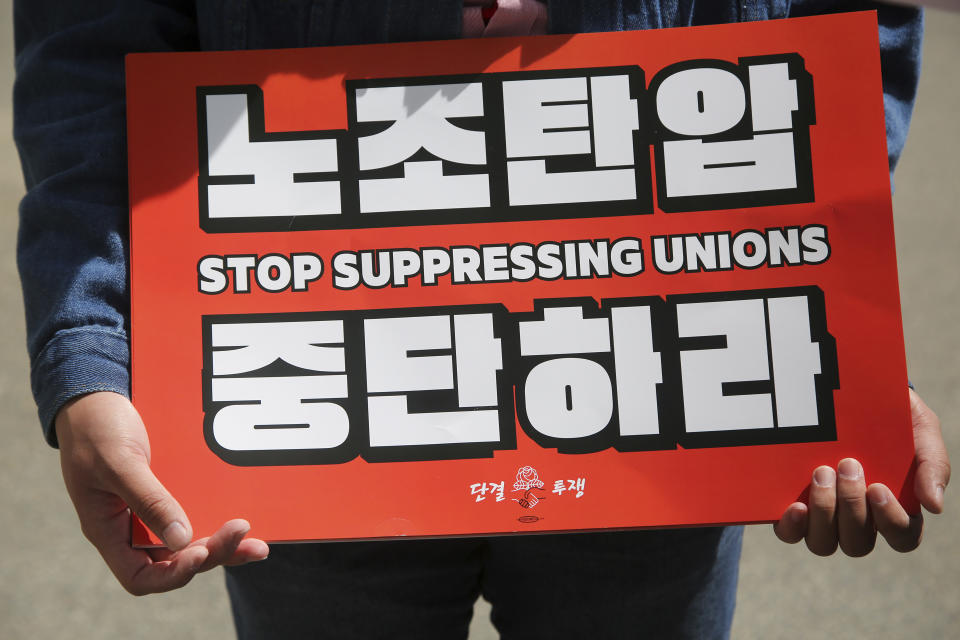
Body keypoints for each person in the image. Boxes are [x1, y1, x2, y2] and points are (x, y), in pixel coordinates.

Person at [14, 1, 950, 638]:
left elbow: (854, 27)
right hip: (304, 353)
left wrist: (835, 329)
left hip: (659, 354)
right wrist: (89, 347)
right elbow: (93, 37)